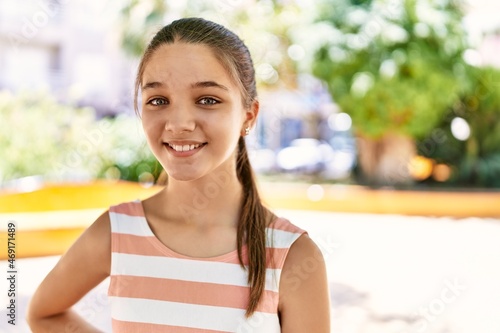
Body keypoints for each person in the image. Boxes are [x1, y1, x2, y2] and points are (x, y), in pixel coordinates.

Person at [27, 17, 330, 332]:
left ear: (248, 116)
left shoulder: (293, 258)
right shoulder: (116, 233)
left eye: (207, 100)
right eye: (158, 101)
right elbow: (44, 313)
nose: (179, 123)